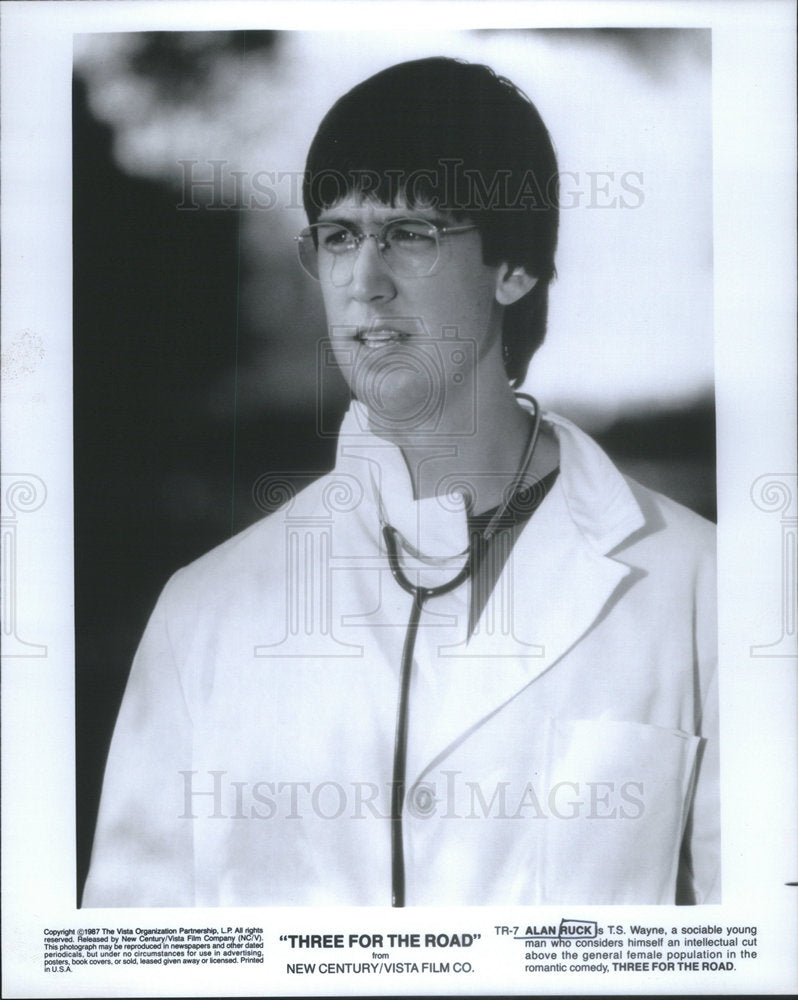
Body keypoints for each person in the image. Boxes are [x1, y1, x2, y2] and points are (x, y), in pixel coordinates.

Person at [83, 56, 719, 907]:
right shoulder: (205, 610)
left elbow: (760, 947)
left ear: (515, 265)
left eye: (411, 234)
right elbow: (133, 960)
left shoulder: (700, 587)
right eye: (339, 236)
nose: (363, 284)